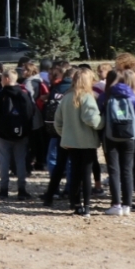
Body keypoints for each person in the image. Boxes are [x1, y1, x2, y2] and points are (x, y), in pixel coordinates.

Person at [50, 67, 102, 215]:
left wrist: (66, 134)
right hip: (86, 142)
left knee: (75, 173)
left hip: (70, 142)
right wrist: (103, 123)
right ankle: (86, 206)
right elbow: (91, 119)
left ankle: (75, 203)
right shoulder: (87, 97)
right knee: (86, 175)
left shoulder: (66, 97)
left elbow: (57, 122)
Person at [100, 69, 135, 216]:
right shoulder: (132, 95)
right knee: (127, 170)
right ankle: (127, 205)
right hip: (129, 137)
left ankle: (116, 204)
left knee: (114, 170)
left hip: (110, 137)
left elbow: (100, 118)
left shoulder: (105, 96)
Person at [0, 69, 36, 199]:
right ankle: (22, 190)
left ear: (5, 79)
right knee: (21, 161)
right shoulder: (23, 94)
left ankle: (3, 190)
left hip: (3, 134)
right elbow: (30, 113)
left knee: (4, 162)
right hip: (22, 134)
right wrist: (27, 131)